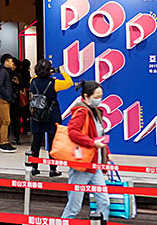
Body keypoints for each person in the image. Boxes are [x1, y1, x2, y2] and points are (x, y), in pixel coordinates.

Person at [60, 80, 110, 220]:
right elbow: (73, 132)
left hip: (95, 165)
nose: (99, 99)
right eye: (96, 96)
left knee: (104, 202)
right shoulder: (81, 112)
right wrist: (92, 143)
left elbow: (99, 135)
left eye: (100, 96)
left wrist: (106, 154)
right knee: (73, 207)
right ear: (86, 96)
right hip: (82, 165)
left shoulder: (95, 112)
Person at [29, 59, 74, 177]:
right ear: (49, 70)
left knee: (36, 142)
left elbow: (36, 78)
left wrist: (44, 73)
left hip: (37, 114)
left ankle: (34, 167)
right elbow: (69, 82)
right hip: (51, 114)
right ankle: (53, 169)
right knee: (52, 142)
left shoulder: (32, 81)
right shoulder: (55, 83)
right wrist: (62, 71)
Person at [0, 53, 17, 152]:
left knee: (2, 121)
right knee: (6, 121)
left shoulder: (3, 71)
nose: (12, 63)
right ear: (6, 62)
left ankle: (1, 142)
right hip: (2, 99)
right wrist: (8, 96)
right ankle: (4, 143)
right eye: (11, 61)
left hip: (2, 98)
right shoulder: (3, 72)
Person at [13, 58, 32, 144]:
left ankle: (17, 133)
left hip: (15, 96)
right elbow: (27, 82)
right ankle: (25, 126)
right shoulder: (23, 73)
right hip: (22, 94)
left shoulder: (15, 73)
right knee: (24, 111)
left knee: (16, 115)